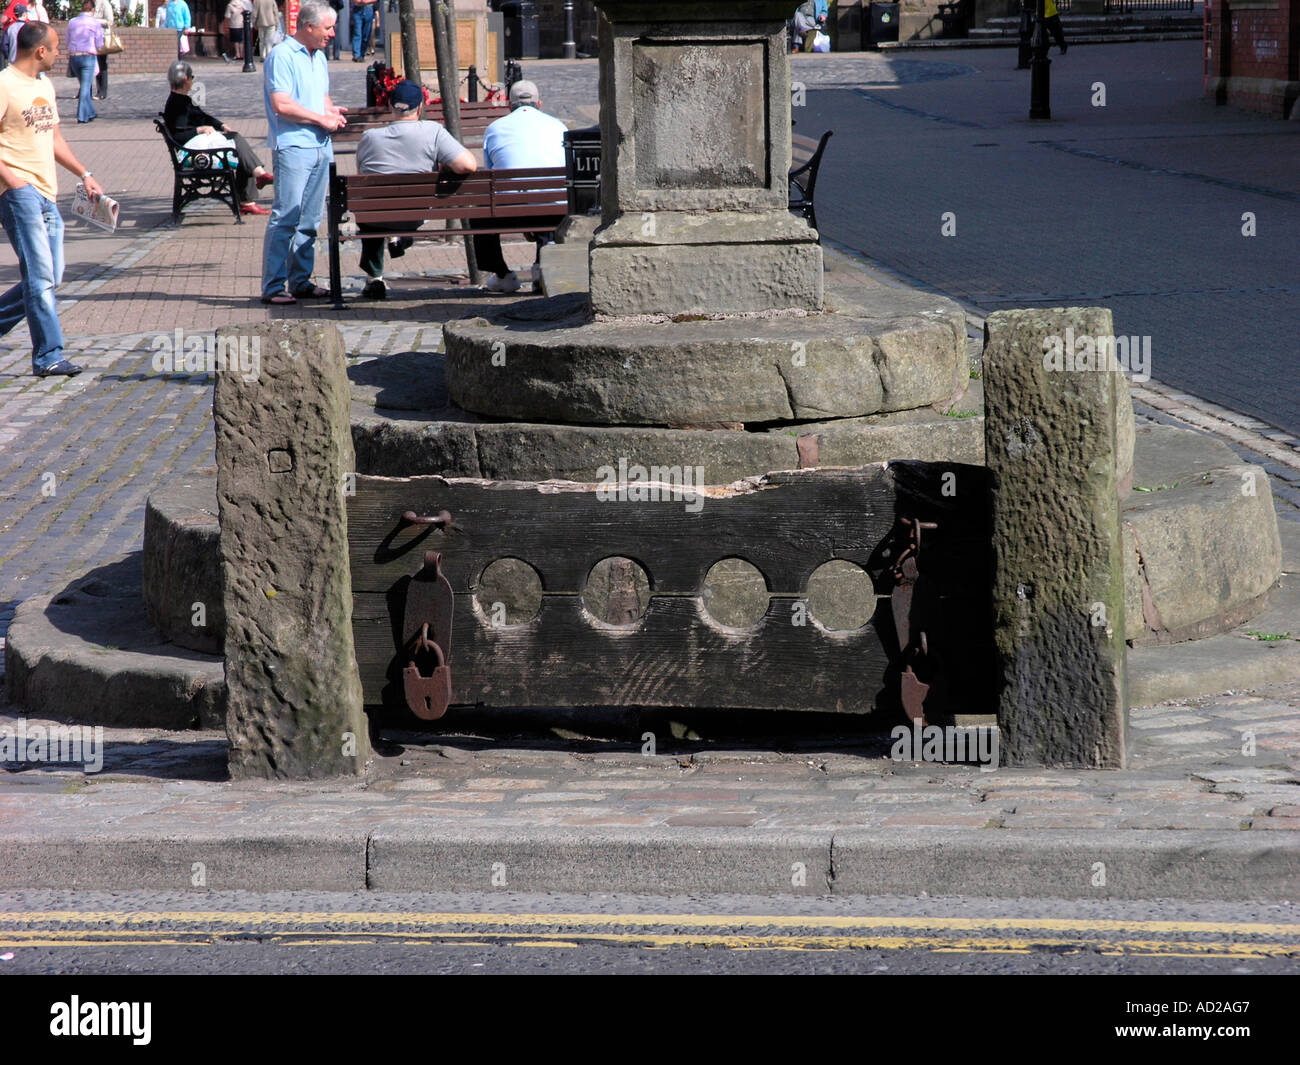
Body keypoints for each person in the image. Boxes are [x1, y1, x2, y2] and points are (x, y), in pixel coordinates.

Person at [0, 22, 104, 377]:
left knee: (49, 275)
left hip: (48, 193)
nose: (60, 54)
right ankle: (49, 355)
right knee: (41, 277)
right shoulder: (4, 85)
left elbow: (55, 138)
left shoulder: (45, 85)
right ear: (39, 51)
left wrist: (85, 174)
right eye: (56, 48)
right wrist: (14, 182)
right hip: (19, 195)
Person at [354, 79, 475, 299]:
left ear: (391, 106)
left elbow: (362, 175)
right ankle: (398, 239)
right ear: (420, 107)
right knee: (382, 209)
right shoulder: (433, 132)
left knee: (370, 208)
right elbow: (468, 165)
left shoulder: (369, 137)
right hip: (415, 215)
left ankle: (374, 277)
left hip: (376, 215)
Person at [260, 0, 345, 304]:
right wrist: (321, 119)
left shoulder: (318, 56)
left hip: (321, 145)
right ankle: (273, 287)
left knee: (310, 219)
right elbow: (281, 105)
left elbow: (320, 96)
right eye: (328, 27)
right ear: (308, 26)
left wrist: (332, 112)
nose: (332, 34)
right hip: (294, 147)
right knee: (286, 217)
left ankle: (301, 281)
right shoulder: (282, 56)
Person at [476, 79, 566, 293]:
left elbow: (493, 174)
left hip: (509, 211)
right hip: (553, 211)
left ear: (509, 105)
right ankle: (541, 267)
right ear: (540, 104)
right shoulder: (558, 126)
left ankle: (502, 274)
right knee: (549, 198)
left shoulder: (494, 128)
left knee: (479, 211)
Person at [164, 59, 273, 214]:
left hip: (198, 147)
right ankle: (252, 190)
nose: (193, 81)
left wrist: (220, 125)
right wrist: (199, 130)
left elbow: (204, 117)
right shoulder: (177, 104)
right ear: (186, 79)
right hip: (195, 153)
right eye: (192, 77)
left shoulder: (183, 100)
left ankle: (254, 188)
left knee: (237, 144)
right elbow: (179, 136)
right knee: (237, 145)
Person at [66, 1, 102, 124]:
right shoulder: (95, 23)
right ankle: (82, 116)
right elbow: (99, 43)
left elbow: (68, 39)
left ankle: (91, 112)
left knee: (84, 85)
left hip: (74, 56)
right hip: (88, 56)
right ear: (92, 10)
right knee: (86, 87)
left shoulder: (72, 22)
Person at [92, 0, 112, 100]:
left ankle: (102, 91)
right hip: (91, 38)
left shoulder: (104, 3)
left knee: (101, 64)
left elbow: (110, 21)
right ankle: (84, 91)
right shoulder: (90, 3)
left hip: (102, 37)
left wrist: (94, 21)